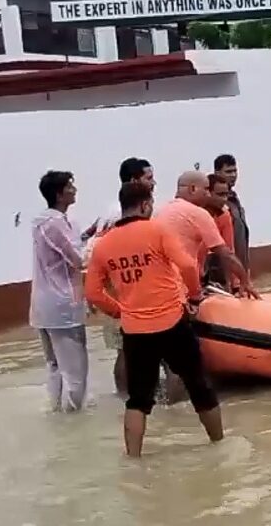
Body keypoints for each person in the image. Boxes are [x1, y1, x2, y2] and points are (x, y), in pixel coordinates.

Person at [85, 181, 223, 457]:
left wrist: (120, 311)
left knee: (138, 400)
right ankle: (219, 445)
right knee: (199, 386)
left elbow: (92, 292)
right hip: (173, 322)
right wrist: (194, 296)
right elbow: (186, 265)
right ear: (146, 205)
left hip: (135, 331)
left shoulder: (103, 245)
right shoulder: (158, 230)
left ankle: (134, 459)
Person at [83, 157, 155, 397]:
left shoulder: (111, 208)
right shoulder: (122, 213)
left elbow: (89, 237)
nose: (153, 182)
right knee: (125, 349)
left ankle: (126, 396)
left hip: (112, 288)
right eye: (149, 177)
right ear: (135, 180)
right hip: (121, 289)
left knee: (123, 348)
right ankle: (127, 395)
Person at [30, 170, 88, 412]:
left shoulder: (47, 222)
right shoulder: (54, 223)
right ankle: (75, 423)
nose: (74, 189)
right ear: (58, 193)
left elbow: (70, 247)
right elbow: (78, 260)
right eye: (69, 186)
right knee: (76, 374)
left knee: (54, 367)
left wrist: (89, 236)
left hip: (43, 305)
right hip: (63, 305)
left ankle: (56, 416)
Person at [155, 171, 260, 299]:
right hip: (181, 287)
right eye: (205, 189)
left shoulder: (160, 211)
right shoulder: (198, 214)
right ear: (192, 189)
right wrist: (244, 280)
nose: (208, 194)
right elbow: (225, 253)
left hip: (159, 285)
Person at [214, 154, 250, 273]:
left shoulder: (234, 199)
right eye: (228, 172)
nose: (233, 175)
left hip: (240, 265)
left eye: (235, 171)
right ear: (217, 173)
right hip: (224, 270)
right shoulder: (214, 203)